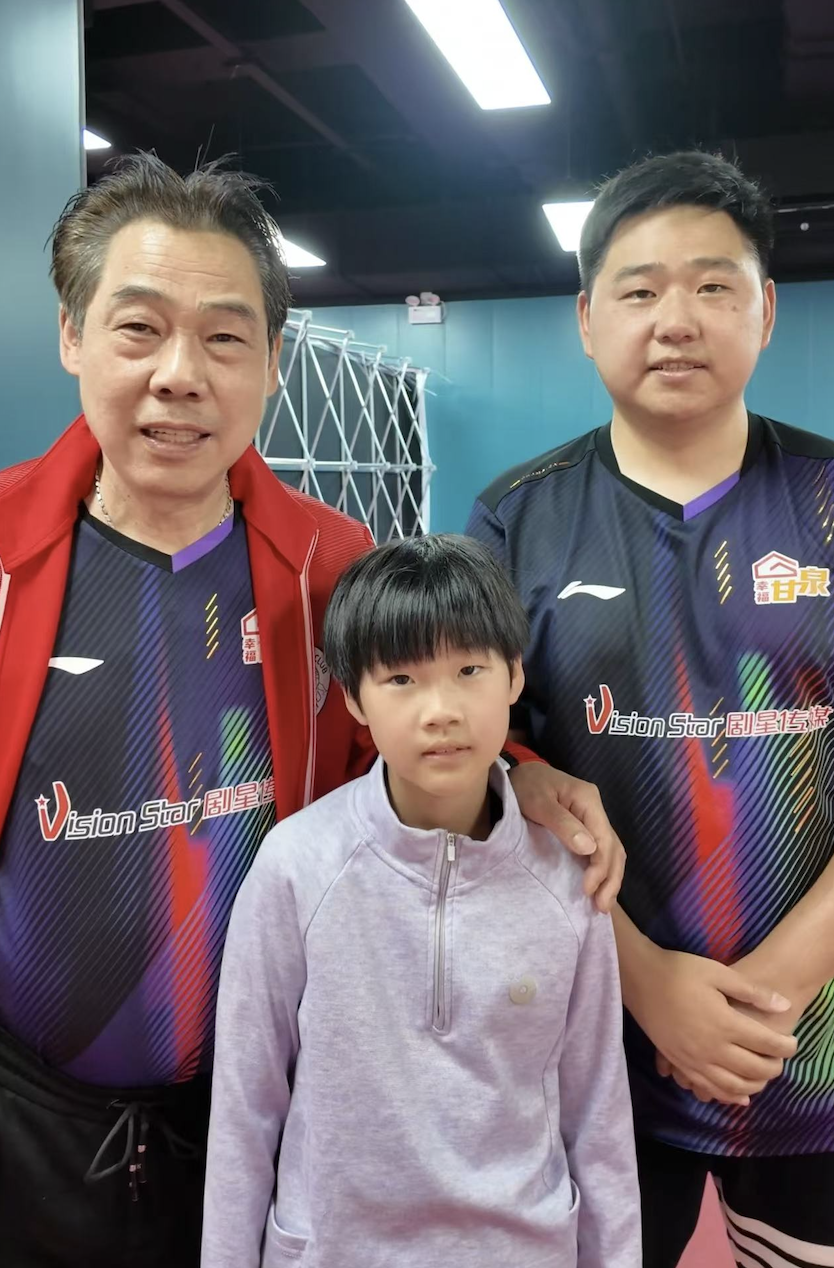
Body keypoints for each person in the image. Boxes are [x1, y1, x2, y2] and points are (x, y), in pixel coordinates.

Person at [0, 153, 623, 1268]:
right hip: (26, 1119)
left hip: (258, 1114)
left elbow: (419, 722)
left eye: (224, 338)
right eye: (139, 328)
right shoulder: (5, 554)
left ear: (274, 361)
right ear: (71, 335)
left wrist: (523, 775)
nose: (181, 374)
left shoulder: (328, 565)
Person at [466, 149, 834, 1267]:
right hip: (595, 1052)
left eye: (714, 285)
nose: (676, 319)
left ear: (766, 310)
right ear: (588, 320)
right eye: (640, 290)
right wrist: (646, 980)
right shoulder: (515, 520)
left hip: (814, 1059)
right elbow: (484, 776)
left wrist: (775, 987)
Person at [201, 534, 641, 1268]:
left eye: (469, 670)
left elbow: (598, 1110)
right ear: (354, 697)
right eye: (401, 678)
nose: (440, 710)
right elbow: (245, 1110)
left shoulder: (567, 874)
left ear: (514, 675)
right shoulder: (297, 866)